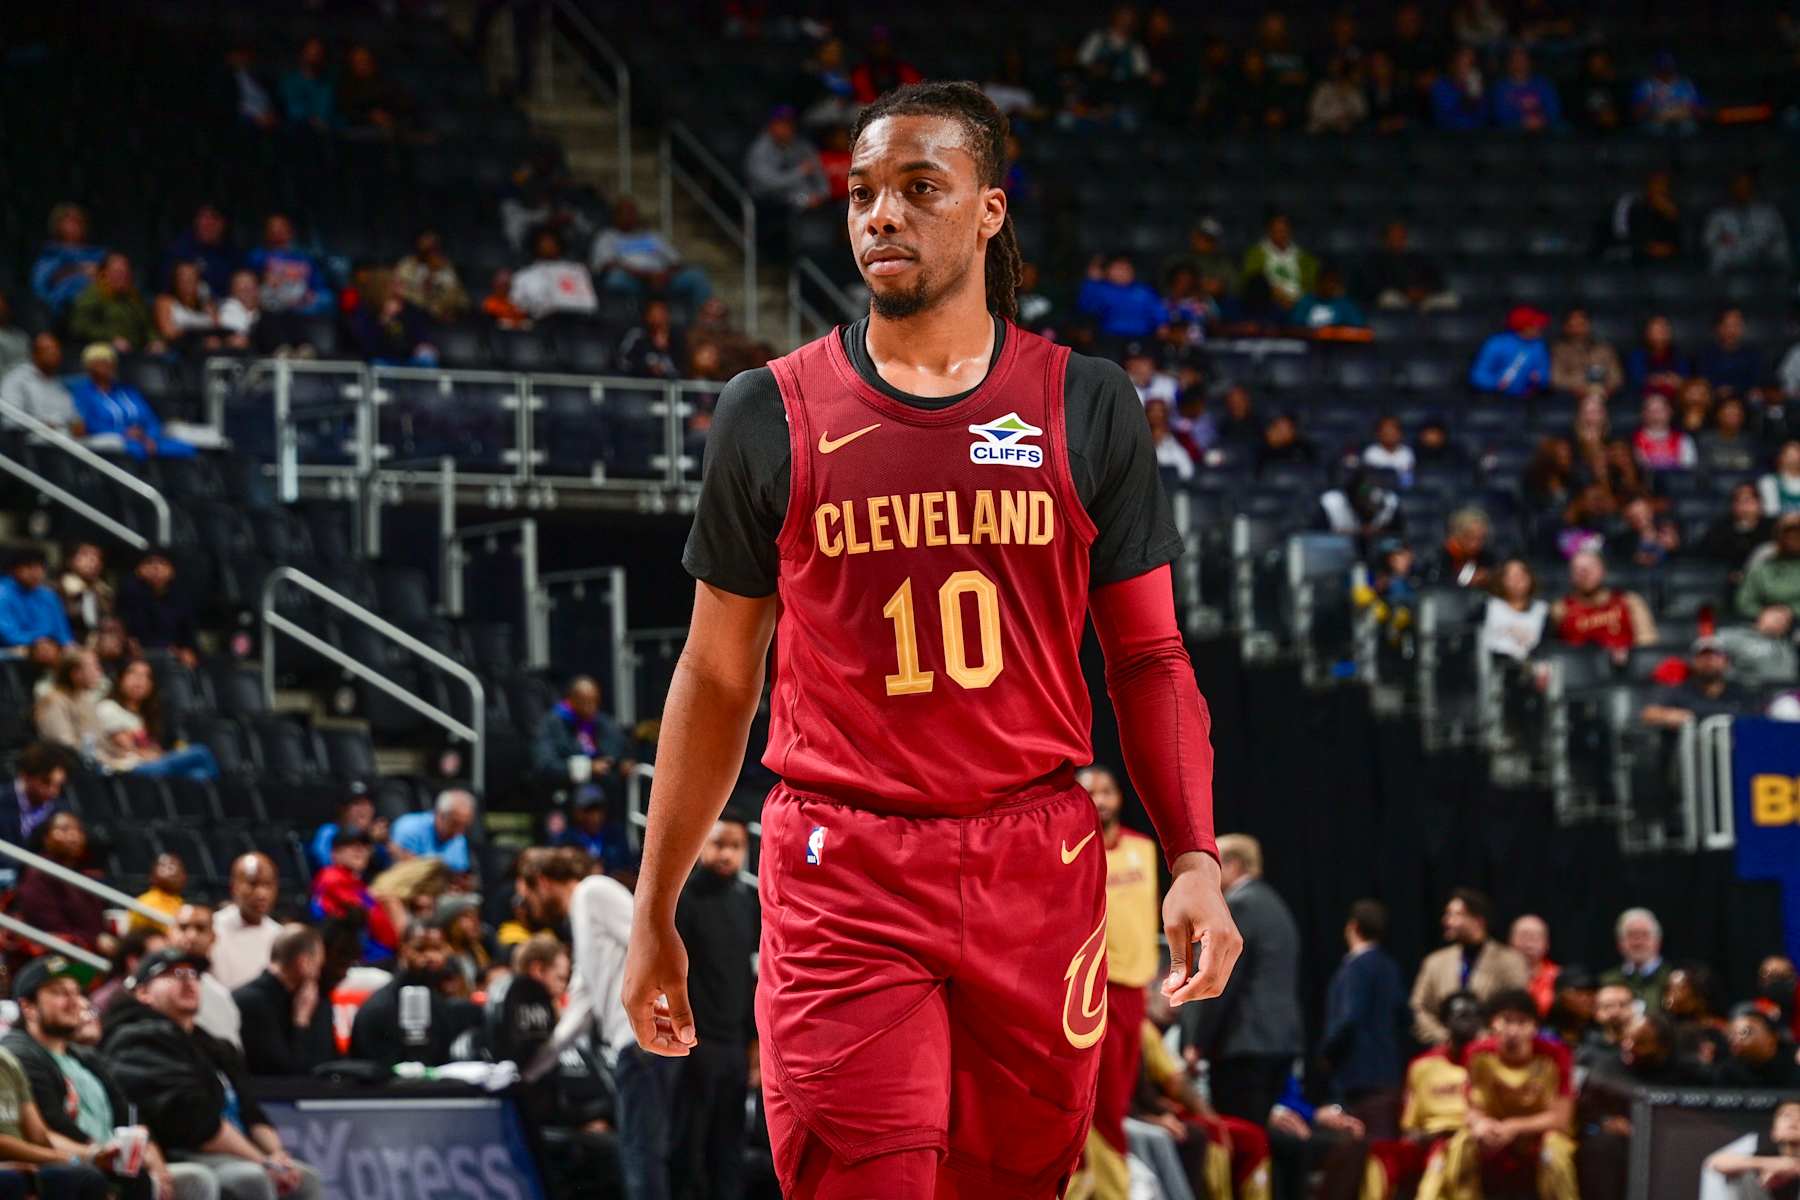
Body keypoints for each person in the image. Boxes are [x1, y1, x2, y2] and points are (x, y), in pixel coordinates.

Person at [625, 81, 1237, 1200]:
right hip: (844, 866)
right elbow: (718, 675)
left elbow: (1148, 657)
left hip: (1035, 862)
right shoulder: (769, 411)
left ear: (990, 211)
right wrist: (653, 906)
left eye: (919, 188)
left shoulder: (1086, 403)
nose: (881, 217)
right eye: (862, 194)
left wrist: (1193, 853)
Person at [102, 948, 322, 1200]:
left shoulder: (214, 1045)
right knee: (251, 1179)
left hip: (236, 1151)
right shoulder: (136, 1040)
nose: (188, 980)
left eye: (193, 974)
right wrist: (262, 1160)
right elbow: (193, 1119)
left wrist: (276, 1154)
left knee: (304, 1179)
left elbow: (251, 1110)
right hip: (183, 1150)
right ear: (143, 993)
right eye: (173, 974)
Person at [514, 847, 665, 1197]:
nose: (531, 909)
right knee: (643, 1153)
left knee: (642, 1154)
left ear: (543, 882)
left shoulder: (593, 890)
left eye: (529, 897)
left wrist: (661, 1013)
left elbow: (650, 941)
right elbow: (582, 1002)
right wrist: (530, 1070)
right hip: (639, 1047)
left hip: (646, 1040)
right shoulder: (582, 914)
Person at [3, 957, 210, 1200]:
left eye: (77, 992)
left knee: (193, 1180)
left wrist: (154, 1158)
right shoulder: (18, 1053)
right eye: (59, 993)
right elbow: (52, 1126)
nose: (74, 1002)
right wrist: (95, 1155)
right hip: (82, 1165)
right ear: (28, 1007)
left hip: (110, 1163)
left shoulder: (85, 1056)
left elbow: (129, 1113)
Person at [1073, 764, 1160, 1191]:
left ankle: (1100, 1184)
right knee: (1089, 1100)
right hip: (1083, 988)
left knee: (1115, 1100)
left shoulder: (1143, 848)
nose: (1102, 800)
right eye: (1092, 792)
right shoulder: (1069, 850)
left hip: (1131, 990)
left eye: (1108, 791)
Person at [1182, 835, 1301, 1127]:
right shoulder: (1277, 905)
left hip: (1243, 1046)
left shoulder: (1238, 906)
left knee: (1243, 1139)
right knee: (1261, 1138)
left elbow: (1220, 979)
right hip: (1278, 1044)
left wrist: (1197, 1041)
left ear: (1233, 865)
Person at [670, 814, 759, 1200]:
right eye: (719, 844)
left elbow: (753, 977)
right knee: (688, 1148)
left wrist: (753, 1044)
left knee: (729, 1151)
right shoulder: (684, 900)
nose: (727, 854)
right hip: (695, 1046)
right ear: (702, 845)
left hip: (735, 1048)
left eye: (736, 847)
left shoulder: (748, 903)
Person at [1434, 989, 1577, 1200]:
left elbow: (1561, 1119)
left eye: (1521, 1022)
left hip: (1540, 1134)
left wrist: (1513, 1126)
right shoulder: (1477, 1054)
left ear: (1534, 1027)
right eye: (1506, 1021)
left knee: (1556, 1153)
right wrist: (1480, 1123)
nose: (1513, 1030)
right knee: (1461, 1144)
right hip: (1493, 1132)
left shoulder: (1556, 1056)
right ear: (1493, 1023)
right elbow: (1471, 1108)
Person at [1362, 992, 1487, 1200]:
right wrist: (1418, 1136)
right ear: (1445, 1021)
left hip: (1473, 1143)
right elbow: (1411, 1125)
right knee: (1379, 1155)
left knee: (1453, 1152)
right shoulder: (1423, 1066)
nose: (1469, 1022)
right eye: (1462, 1015)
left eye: (1475, 1015)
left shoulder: (1490, 1062)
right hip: (1430, 1139)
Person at [1320, 900, 1407, 1134]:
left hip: (1357, 1076)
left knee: (1360, 1154)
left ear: (1353, 927)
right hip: (1387, 1075)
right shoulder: (1390, 967)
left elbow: (1349, 1017)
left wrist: (1327, 1053)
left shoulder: (1355, 968)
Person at [349, 922, 479, 1067]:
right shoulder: (380, 1007)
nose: (430, 957)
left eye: (437, 949)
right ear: (404, 950)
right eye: (420, 949)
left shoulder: (443, 999)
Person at [1410, 889, 1529, 1044]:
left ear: (1478, 920)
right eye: (1447, 914)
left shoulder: (1509, 961)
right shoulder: (1435, 962)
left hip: (1492, 1053)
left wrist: (1485, 1038)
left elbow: (1516, 1008)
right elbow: (1418, 1007)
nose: (1447, 921)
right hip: (1443, 1052)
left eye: (1456, 915)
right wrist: (1443, 1037)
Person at [233, 925, 334, 1078]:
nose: (319, 974)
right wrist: (301, 1022)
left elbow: (327, 1062)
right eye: (318, 966)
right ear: (304, 963)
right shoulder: (250, 1002)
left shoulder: (312, 1000)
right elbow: (286, 1073)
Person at [98, 659, 220, 780]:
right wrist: (157, 756)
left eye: (146, 676)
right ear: (120, 679)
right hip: (128, 768)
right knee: (200, 752)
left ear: (151, 686)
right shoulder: (109, 708)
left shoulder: (145, 716)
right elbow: (129, 748)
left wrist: (157, 755)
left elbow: (153, 749)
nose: (139, 680)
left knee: (199, 774)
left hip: (152, 765)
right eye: (133, 673)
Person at [68, 346, 195, 460]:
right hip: (116, 443)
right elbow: (90, 424)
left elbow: (150, 418)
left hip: (145, 439)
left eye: (110, 361)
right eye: (101, 362)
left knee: (186, 448)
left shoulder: (128, 391)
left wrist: (150, 436)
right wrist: (124, 433)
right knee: (137, 451)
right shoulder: (83, 394)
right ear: (89, 367)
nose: (108, 364)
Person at [590, 199, 710, 312]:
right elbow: (608, 265)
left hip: (663, 280)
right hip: (633, 281)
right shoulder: (607, 237)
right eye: (625, 212)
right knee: (615, 279)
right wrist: (646, 275)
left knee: (696, 276)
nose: (629, 216)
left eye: (632, 212)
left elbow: (677, 262)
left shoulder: (651, 237)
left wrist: (664, 275)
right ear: (616, 216)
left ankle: (702, 325)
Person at [12, 811, 106, 955]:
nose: (74, 836)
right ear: (46, 838)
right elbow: (50, 928)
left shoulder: (84, 875)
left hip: (89, 951)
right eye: (64, 829)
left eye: (78, 830)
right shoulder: (38, 875)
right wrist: (94, 941)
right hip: (57, 957)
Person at [1552, 551, 1658, 661]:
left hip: (1624, 672)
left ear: (1603, 570)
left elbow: (1647, 646)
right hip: (1576, 673)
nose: (1584, 573)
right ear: (1571, 575)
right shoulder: (1560, 609)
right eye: (1578, 569)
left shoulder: (1629, 601)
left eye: (1591, 567)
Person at [310, 828, 403, 952]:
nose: (359, 850)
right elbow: (364, 918)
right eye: (349, 844)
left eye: (364, 845)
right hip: (354, 959)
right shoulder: (331, 877)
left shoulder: (358, 884)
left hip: (375, 955)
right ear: (334, 853)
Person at [533, 675, 633, 784]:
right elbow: (545, 765)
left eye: (595, 701)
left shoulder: (600, 720)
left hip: (605, 785)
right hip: (568, 788)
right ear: (571, 700)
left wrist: (623, 762)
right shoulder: (552, 723)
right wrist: (588, 768)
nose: (592, 708)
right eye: (585, 702)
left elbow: (620, 746)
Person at [169, 905, 241, 1050]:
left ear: (213, 937)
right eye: (183, 928)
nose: (191, 936)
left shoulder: (221, 998)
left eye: (200, 929)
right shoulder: (147, 987)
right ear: (169, 933)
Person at [1642, 637, 1751, 728]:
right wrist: (1670, 716)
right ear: (1692, 661)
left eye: (1716, 656)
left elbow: (1757, 720)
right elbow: (1649, 714)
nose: (1709, 661)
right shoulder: (1679, 690)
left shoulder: (1740, 693)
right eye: (1703, 656)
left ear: (1727, 662)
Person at [212, 854, 282, 991]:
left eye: (268, 885)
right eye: (253, 884)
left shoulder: (280, 936)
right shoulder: (212, 927)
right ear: (234, 886)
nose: (262, 894)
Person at [116, 550, 199, 666]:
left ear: (172, 570)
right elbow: (125, 624)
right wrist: (136, 577)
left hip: (172, 656)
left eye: (162, 563)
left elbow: (189, 635)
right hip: (137, 655)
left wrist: (187, 651)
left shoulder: (181, 598)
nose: (156, 568)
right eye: (149, 563)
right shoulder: (131, 592)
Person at [1704, 1100, 1800, 1198]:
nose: (1794, 1120)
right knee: (1743, 1172)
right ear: (1774, 1132)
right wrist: (1771, 1164)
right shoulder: (1768, 1155)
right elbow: (1714, 1162)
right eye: (1787, 1116)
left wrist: (1793, 1168)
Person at [244, 215, 333, 318]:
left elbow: (318, 284)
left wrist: (312, 294)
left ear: (290, 231)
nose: (276, 230)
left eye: (281, 227)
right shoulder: (257, 256)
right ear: (266, 232)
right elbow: (248, 282)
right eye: (273, 227)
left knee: (327, 299)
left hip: (302, 302)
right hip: (273, 300)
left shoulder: (303, 257)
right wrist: (264, 276)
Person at [742, 105, 828, 213]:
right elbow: (771, 184)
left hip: (798, 196)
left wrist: (821, 195)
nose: (787, 128)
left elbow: (819, 172)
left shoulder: (802, 145)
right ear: (771, 125)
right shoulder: (759, 150)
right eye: (782, 123)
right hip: (767, 199)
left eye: (790, 123)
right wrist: (800, 172)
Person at [1705, 169, 1791, 275]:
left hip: (1763, 263)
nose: (1742, 190)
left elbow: (1777, 239)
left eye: (1746, 186)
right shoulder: (1719, 215)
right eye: (1738, 186)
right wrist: (1724, 241)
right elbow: (1709, 240)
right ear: (1732, 188)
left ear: (1753, 188)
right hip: (1731, 262)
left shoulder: (1769, 213)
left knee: (1779, 251)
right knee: (1720, 254)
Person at [0, 335, 83, 435]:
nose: (54, 353)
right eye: (48, 349)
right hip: (32, 443)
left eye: (56, 349)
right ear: (34, 354)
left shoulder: (58, 384)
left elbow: (73, 417)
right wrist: (40, 425)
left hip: (66, 440)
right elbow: (10, 420)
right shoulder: (17, 379)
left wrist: (77, 425)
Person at [508, 229, 598, 321]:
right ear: (535, 245)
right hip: (540, 324)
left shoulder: (577, 270)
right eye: (544, 242)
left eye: (551, 241)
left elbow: (590, 304)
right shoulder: (522, 276)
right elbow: (516, 306)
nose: (548, 245)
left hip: (577, 323)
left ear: (559, 244)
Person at [32, 203, 105, 314]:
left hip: (99, 307)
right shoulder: (51, 254)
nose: (75, 226)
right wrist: (80, 270)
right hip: (63, 310)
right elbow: (42, 284)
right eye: (70, 222)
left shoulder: (97, 254)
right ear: (58, 225)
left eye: (78, 222)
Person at [0, 549, 75, 656]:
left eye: (40, 567)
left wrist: (68, 647)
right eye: (30, 567)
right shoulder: (2, 593)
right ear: (14, 569)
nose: (36, 572)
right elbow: (8, 635)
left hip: (50, 648)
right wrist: (36, 641)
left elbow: (63, 635)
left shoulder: (48, 595)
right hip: (10, 650)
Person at [1738, 512, 1800, 639]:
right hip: (1765, 624)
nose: (1793, 537)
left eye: (1798, 533)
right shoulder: (1763, 566)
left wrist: (1789, 612)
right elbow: (1744, 601)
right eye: (1788, 533)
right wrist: (1764, 613)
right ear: (1779, 536)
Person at [1240, 210, 1317, 310]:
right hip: (1269, 305)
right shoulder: (1255, 254)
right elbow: (1253, 282)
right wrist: (1279, 297)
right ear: (1269, 231)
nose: (1281, 234)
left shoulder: (1304, 258)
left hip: (1299, 305)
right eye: (1276, 231)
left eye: (1284, 230)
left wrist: (1297, 302)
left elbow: (1311, 286)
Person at [1076, 255, 1166, 340]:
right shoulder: (1100, 290)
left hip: (1142, 337)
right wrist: (1092, 281)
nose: (1122, 273)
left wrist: (1161, 323)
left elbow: (1157, 309)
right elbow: (1085, 306)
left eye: (1126, 269)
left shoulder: (1143, 291)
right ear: (1108, 271)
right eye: (1118, 269)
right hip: (1110, 337)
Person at [389, 788, 475, 875]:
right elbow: (403, 874)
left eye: (465, 826)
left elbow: (460, 876)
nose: (460, 831)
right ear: (440, 815)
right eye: (454, 824)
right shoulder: (408, 828)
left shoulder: (459, 839)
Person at [0, 743, 69, 852]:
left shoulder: (61, 812)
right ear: (25, 776)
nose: (54, 792)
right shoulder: (2, 799)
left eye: (58, 785)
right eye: (46, 782)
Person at [1470, 306, 1551, 397]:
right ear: (1523, 326)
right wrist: (1496, 383)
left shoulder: (1538, 345)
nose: (1539, 328)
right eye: (1535, 325)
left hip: (1529, 398)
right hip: (1497, 397)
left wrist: (1539, 377)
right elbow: (1478, 375)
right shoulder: (1496, 344)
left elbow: (1544, 372)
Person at [1601, 907, 1672, 1009]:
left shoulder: (1672, 979)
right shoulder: (1607, 981)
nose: (1638, 942)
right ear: (1619, 943)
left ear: (1658, 941)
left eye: (1645, 935)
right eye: (1631, 935)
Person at [162, 205, 237, 301]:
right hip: (187, 307)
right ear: (196, 221)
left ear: (223, 223)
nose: (208, 224)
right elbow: (166, 290)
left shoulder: (232, 253)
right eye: (204, 218)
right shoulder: (180, 249)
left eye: (215, 218)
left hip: (225, 307)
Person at [1481, 560, 1548, 661]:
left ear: (1530, 579)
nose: (1517, 581)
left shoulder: (1542, 611)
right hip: (1493, 664)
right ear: (1502, 580)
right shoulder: (1489, 607)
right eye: (1511, 577)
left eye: (1521, 576)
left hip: (1527, 666)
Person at [1719, 1005, 1800, 1088]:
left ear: (1772, 1037)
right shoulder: (1728, 1071)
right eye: (1731, 1034)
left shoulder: (1795, 1059)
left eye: (1744, 1032)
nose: (1735, 1039)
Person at [1550, 308, 1623, 397]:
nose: (1578, 329)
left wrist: (1605, 389)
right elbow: (1556, 379)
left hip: (1603, 394)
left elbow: (1616, 378)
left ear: (1589, 325)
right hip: (1571, 395)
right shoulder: (1559, 350)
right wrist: (1582, 387)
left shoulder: (1604, 349)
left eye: (1581, 324)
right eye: (1573, 325)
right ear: (1566, 327)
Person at [153, 262, 222, 355]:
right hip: (179, 349)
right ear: (175, 281)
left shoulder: (207, 303)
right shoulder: (165, 301)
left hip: (207, 350)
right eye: (182, 278)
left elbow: (217, 329)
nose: (187, 281)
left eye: (191, 277)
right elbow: (168, 332)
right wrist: (197, 333)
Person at [1491, 44, 1560, 131]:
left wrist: (1543, 120)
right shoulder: (1501, 87)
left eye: (1523, 59)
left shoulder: (1542, 83)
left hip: (1544, 126)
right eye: (1516, 60)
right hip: (1514, 128)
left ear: (1529, 62)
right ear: (1509, 63)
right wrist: (1522, 122)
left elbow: (1553, 108)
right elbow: (1501, 113)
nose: (1519, 63)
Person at [1632, 50, 1704, 133]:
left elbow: (1701, 111)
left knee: (1688, 127)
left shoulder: (1686, 85)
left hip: (1683, 122)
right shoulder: (1646, 86)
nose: (1666, 70)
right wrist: (1651, 102)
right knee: (1656, 128)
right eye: (1663, 67)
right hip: (1655, 123)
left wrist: (1687, 106)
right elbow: (1635, 114)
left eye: (1669, 66)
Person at [616, 298, 686, 380]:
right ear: (646, 316)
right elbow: (623, 361)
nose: (657, 318)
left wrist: (664, 350)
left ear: (667, 315)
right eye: (653, 314)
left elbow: (683, 367)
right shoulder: (637, 335)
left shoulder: (676, 338)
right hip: (641, 384)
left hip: (670, 387)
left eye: (660, 313)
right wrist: (646, 368)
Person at [1509, 915, 1559, 1016]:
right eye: (1523, 936)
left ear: (1547, 944)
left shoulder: (1558, 976)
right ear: (1510, 941)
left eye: (1535, 937)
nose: (1529, 944)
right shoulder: (1497, 973)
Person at [1430, 46, 1488, 131]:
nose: (1465, 67)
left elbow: (1483, 118)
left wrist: (1476, 97)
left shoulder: (1476, 85)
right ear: (1453, 63)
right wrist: (1466, 99)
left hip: (1475, 137)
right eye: (1462, 61)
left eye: (1470, 63)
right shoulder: (1440, 86)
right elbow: (1444, 119)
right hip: (1447, 137)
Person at [133, 853, 188, 933]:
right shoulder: (146, 902)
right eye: (166, 866)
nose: (174, 871)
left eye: (179, 867)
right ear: (152, 876)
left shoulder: (181, 904)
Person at [1761, 442, 1800, 518]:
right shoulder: (1769, 481)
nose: (1793, 459)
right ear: (1781, 458)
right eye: (1789, 455)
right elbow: (1771, 513)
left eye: (1796, 455)